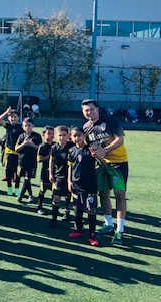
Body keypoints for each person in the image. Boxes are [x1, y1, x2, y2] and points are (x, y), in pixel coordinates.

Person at [82, 99, 129, 245]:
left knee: (120, 196)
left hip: (119, 163)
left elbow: (120, 140)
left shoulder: (110, 121)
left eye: (92, 109)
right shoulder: (86, 127)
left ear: (97, 108)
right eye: (86, 110)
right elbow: (88, 146)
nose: (90, 112)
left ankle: (120, 230)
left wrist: (105, 150)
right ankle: (108, 224)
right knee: (103, 194)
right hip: (101, 165)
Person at [67, 126, 99, 247]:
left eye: (79, 135)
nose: (77, 138)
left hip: (90, 185)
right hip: (76, 184)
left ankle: (92, 235)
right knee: (78, 208)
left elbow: (99, 163)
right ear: (71, 137)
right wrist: (69, 181)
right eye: (74, 136)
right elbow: (70, 167)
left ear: (84, 136)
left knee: (91, 209)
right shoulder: (71, 151)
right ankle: (79, 230)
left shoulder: (89, 150)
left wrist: (96, 155)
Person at [48, 125, 75, 227]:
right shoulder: (54, 147)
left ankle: (67, 212)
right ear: (56, 136)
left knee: (69, 195)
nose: (62, 137)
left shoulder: (71, 147)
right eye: (60, 135)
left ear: (68, 135)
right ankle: (54, 219)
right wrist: (51, 173)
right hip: (58, 175)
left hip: (71, 176)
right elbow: (51, 160)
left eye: (64, 135)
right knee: (56, 197)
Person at [14, 117, 42, 204]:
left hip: (32, 161)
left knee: (27, 179)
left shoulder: (37, 136)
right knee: (26, 179)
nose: (27, 127)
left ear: (33, 126)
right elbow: (16, 149)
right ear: (23, 127)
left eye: (29, 125)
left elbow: (40, 149)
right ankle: (30, 195)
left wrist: (32, 145)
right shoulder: (21, 136)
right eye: (25, 126)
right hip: (22, 161)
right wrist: (23, 144)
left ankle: (21, 196)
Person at [0, 107, 22, 195]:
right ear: (8, 118)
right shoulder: (8, 126)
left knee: (18, 171)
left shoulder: (22, 127)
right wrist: (6, 112)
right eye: (11, 117)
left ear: (18, 118)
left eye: (15, 117)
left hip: (18, 152)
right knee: (8, 169)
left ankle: (17, 189)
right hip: (9, 152)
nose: (13, 118)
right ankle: (9, 188)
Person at [36, 126, 54, 215]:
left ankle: (54, 208)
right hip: (45, 172)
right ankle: (39, 207)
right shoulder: (42, 146)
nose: (51, 135)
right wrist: (49, 156)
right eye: (49, 133)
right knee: (42, 190)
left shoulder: (55, 145)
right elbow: (39, 159)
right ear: (44, 135)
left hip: (54, 172)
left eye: (52, 134)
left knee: (54, 191)